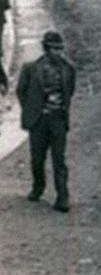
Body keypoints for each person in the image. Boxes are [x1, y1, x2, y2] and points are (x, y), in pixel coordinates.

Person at [16, 31, 76, 213]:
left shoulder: (68, 69)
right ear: (46, 49)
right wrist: (32, 110)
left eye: (60, 49)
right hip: (39, 120)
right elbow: (21, 91)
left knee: (59, 159)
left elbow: (69, 91)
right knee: (37, 158)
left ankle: (62, 196)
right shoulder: (30, 68)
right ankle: (38, 187)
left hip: (58, 119)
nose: (58, 53)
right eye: (54, 49)